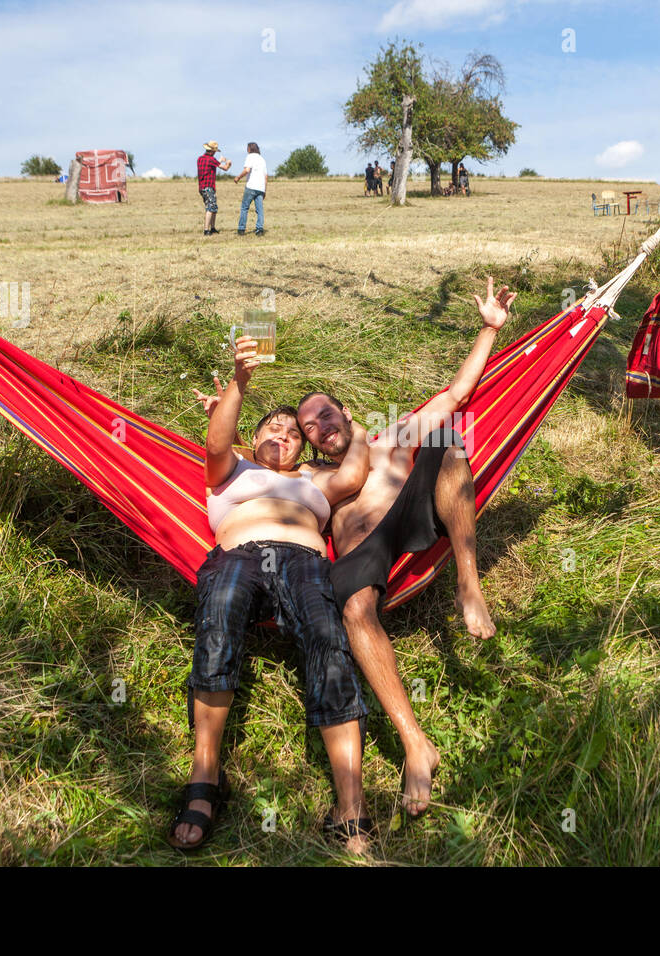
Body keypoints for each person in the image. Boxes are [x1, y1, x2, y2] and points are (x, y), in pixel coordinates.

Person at [296, 276, 515, 816]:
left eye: (326, 414)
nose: (321, 428)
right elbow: (243, 468)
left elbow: (457, 394)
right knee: (353, 609)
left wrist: (488, 329)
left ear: (346, 414)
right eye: (309, 427)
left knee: (446, 440)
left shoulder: (394, 433)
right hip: (361, 550)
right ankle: (417, 745)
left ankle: (469, 582)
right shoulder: (310, 476)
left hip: (412, 509)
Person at [168, 338, 374, 852]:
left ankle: (350, 802)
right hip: (238, 555)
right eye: (272, 428)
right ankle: (206, 778)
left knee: (328, 639)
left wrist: (362, 426)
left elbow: (353, 472)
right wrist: (240, 380)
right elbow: (217, 443)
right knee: (218, 621)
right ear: (251, 439)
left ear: (302, 451)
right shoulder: (231, 471)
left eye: (292, 433)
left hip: (305, 561)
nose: (282, 435)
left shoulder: (312, 479)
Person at [196, 141, 232, 236]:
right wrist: (228, 163)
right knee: (211, 208)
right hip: (209, 187)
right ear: (212, 151)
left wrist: (219, 161)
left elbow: (210, 167)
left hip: (202, 187)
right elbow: (225, 168)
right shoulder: (211, 160)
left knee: (213, 207)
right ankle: (207, 230)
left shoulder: (200, 159)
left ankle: (212, 228)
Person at [234, 142, 268, 236]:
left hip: (251, 186)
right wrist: (265, 190)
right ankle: (259, 229)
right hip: (260, 188)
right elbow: (266, 176)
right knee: (260, 210)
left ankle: (241, 229)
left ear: (250, 149)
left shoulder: (250, 157)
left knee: (244, 208)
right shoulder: (262, 159)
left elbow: (247, 170)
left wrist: (238, 177)